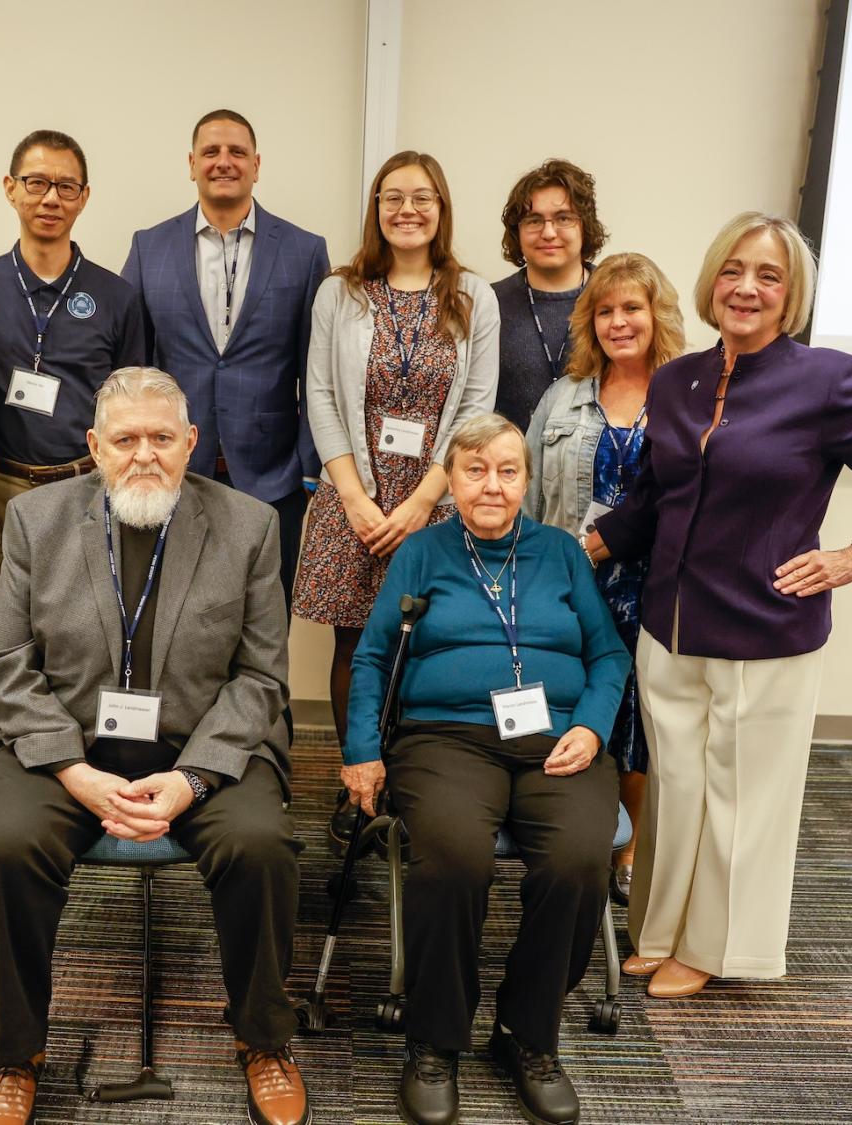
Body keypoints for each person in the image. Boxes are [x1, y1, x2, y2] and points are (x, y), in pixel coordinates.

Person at [584, 213, 852, 999]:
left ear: (791, 298)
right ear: (712, 280)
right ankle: (659, 930)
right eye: (734, 271)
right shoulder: (674, 380)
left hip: (767, 631)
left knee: (742, 797)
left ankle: (717, 946)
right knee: (677, 786)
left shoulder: (827, 379)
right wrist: (579, 549)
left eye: (769, 276)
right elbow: (651, 502)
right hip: (668, 626)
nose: (747, 287)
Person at [0, 367, 311, 1125]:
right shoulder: (34, 518)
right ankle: (16, 1050)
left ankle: (264, 1038)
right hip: (67, 745)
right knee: (3, 843)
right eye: (126, 439)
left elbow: (259, 677)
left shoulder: (250, 525)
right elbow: (2, 665)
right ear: (94, 445)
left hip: (203, 744)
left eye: (162, 437)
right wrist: (73, 770)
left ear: (192, 443)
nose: (144, 454)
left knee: (262, 845)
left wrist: (190, 779)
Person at [341, 414, 628, 1125]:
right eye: (475, 470)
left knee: (577, 860)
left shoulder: (562, 553)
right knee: (453, 860)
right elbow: (373, 656)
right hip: (445, 739)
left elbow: (609, 656)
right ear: (452, 479)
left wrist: (592, 727)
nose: (492, 485)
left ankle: (526, 1034)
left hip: (558, 739)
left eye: (507, 470)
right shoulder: (422, 552)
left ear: (526, 480)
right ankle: (435, 1041)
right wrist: (359, 748)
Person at [296, 150, 499, 766]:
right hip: (352, 494)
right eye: (392, 197)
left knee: (430, 648)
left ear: (442, 209)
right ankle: (356, 779)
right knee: (356, 648)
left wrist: (420, 504)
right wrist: (358, 501)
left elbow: (476, 409)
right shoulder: (340, 291)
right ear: (376, 209)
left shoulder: (473, 296)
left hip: (437, 504)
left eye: (422, 198)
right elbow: (321, 396)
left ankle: (414, 782)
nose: (406, 210)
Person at [525, 252, 687, 904]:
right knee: (569, 708)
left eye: (633, 308)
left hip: (657, 588)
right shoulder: (563, 395)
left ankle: (629, 847)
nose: (619, 322)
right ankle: (571, 832)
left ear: (657, 315)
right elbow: (529, 493)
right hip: (572, 583)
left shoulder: (689, 394)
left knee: (642, 726)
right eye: (606, 310)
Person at [0, 130, 145, 699]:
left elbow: (131, 403)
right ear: (10, 189)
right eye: (37, 183)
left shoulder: (116, 297)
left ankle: (75, 758)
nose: (50, 198)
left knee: (86, 628)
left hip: (84, 490)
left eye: (66, 186)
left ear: (84, 197)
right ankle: (6, 757)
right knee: (1, 630)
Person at [122, 108, 329, 599]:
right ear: (191, 163)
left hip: (273, 477)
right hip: (170, 470)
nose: (224, 162)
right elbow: (133, 367)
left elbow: (314, 369)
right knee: (172, 613)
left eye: (237, 152)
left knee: (263, 617)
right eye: (211, 152)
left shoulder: (304, 250)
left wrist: (308, 468)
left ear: (256, 164)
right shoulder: (150, 247)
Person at [492, 159, 607, 431]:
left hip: (595, 467)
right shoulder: (488, 304)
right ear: (517, 231)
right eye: (533, 220)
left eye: (563, 218)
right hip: (509, 468)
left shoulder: (616, 299)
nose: (548, 232)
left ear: (585, 225)